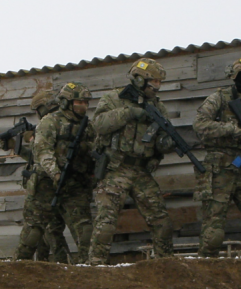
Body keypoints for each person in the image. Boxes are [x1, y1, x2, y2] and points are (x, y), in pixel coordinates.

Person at [87, 58, 175, 265]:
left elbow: (161, 140)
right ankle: (95, 266)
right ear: (139, 79)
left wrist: (165, 143)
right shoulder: (113, 98)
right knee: (106, 222)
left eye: (159, 82)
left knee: (162, 221)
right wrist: (128, 113)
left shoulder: (157, 107)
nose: (157, 86)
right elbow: (98, 125)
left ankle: (167, 265)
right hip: (115, 169)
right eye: (154, 81)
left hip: (142, 171)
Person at [193, 57, 241, 259]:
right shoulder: (219, 98)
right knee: (214, 232)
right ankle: (205, 270)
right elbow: (200, 124)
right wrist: (233, 131)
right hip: (220, 171)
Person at [32, 82, 96, 264]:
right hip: (52, 184)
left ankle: (87, 266)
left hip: (77, 185)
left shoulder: (88, 126)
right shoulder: (51, 122)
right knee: (50, 231)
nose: (84, 106)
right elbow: (43, 152)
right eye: (80, 102)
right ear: (67, 103)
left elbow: (96, 151)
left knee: (84, 231)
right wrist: (56, 174)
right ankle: (59, 268)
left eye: (86, 103)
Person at [13, 88, 67, 262]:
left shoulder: (52, 125)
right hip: (56, 183)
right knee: (49, 231)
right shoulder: (59, 123)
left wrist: (32, 139)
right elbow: (35, 156)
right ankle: (48, 265)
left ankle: (24, 265)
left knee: (42, 229)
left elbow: (46, 154)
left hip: (48, 184)